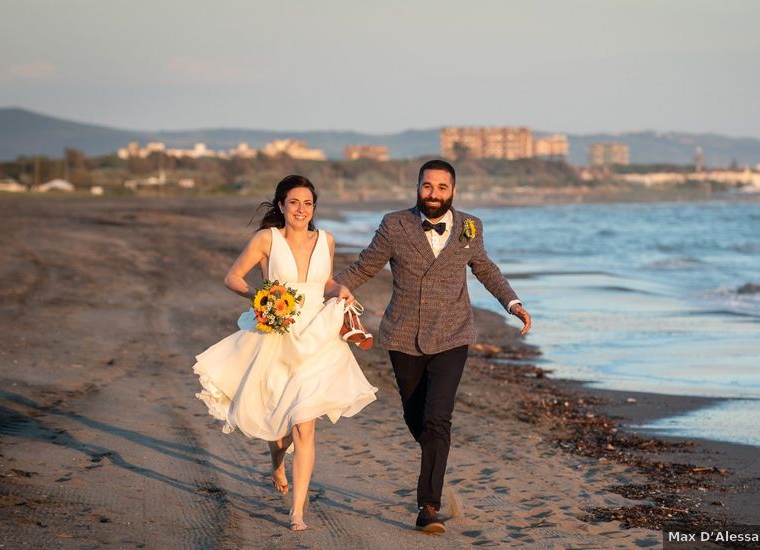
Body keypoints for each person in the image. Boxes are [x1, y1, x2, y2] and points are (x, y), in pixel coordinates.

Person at [334, 159, 532, 533]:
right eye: (428, 186)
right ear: (418, 187)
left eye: (442, 188)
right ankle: (435, 461)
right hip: (402, 336)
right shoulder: (395, 224)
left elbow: (485, 268)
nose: (434, 194)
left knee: (438, 418)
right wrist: (324, 291)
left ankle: (428, 506)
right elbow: (364, 267)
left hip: (453, 334)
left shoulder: (470, 226)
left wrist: (513, 303)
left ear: (452, 190)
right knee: (417, 418)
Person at [192, 175, 378, 531]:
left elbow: (322, 283)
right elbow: (233, 277)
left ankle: (297, 511)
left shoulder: (326, 239)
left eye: (308, 204)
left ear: (314, 208)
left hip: (317, 339)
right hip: (276, 335)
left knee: (304, 425)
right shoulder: (267, 239)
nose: (301, 210)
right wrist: (260, 299)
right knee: (280, 425)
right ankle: (276, 460)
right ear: (281, 205)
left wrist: (342, 289)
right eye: (294, 202)